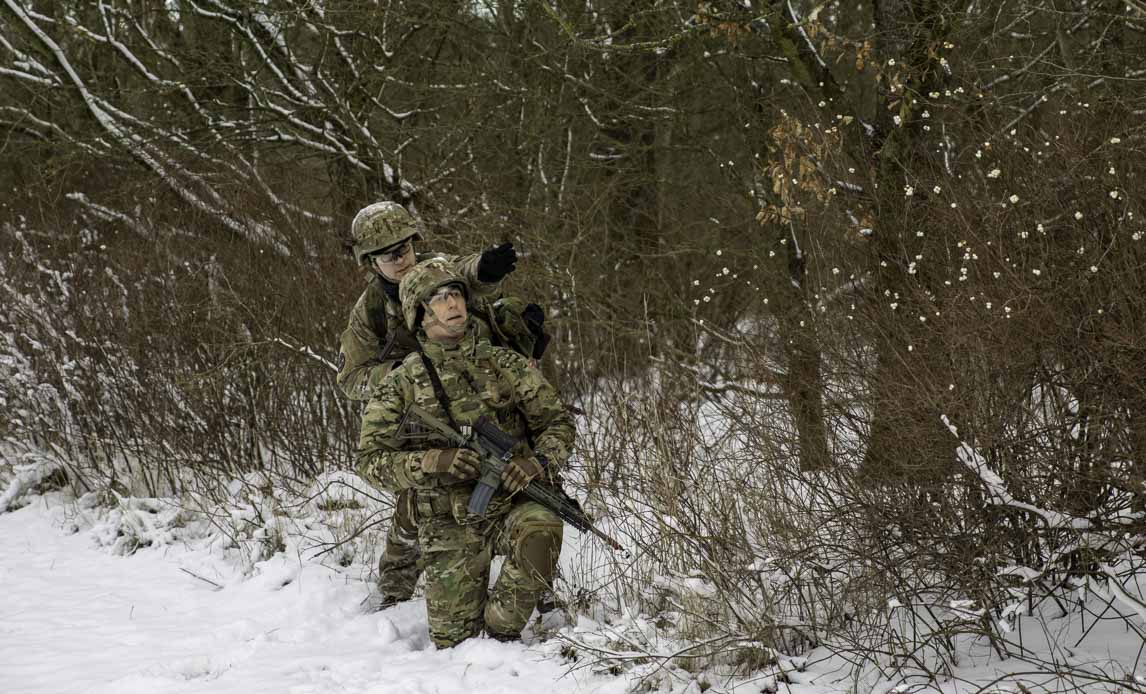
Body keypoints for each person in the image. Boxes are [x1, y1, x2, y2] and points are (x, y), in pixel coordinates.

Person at [355, 259, 574, 647]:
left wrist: (537, 462)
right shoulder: (402, 382)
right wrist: (428, 463)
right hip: (447, 520)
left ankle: (503, 631)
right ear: (420, 315)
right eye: (438, 299)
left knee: (543, 526)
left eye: (455, 293)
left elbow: (556, 423)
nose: (452, 303)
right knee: (453, 644)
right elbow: (369, 461)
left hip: (508, 503)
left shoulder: (504, 363)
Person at [339, 201, 517, 607]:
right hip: (420, 414)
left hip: (475, 397)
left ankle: (528, 573)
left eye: (406, 248)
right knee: (418, 496)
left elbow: (466, 271)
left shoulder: (438, 273)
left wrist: (488, 268)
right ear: (371, 262)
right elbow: (351, 379)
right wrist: (405, 374)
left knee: (510, 478)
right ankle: (396, 584)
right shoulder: (369, 313)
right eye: (390, 255)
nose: (402, 259)